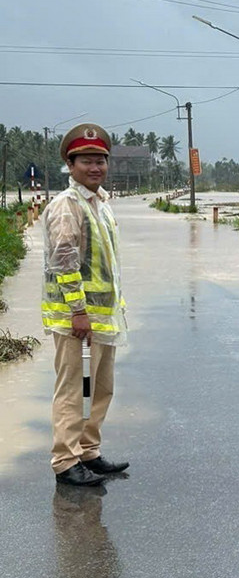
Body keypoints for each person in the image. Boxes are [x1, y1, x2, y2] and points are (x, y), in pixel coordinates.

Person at [41, 124, 129, 486]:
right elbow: (64, 261)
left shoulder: (101, 204)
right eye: (87, 161)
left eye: (101, 161)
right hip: (74, 318)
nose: (95, 168)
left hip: (104, 318)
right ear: (70, 164)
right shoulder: (66, 207)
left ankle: (88, 451)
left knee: (102, 387)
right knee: (72, 388)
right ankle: (65, 461)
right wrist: (78, 312)